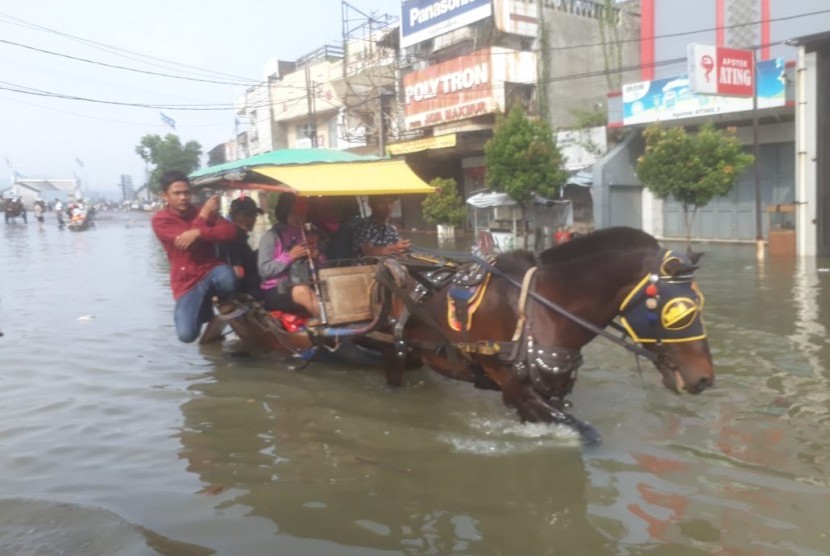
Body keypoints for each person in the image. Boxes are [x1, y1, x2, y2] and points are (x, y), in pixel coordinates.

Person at [151, 170, 238, 343]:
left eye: (186, 192)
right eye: (177, 193)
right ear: (164, 196)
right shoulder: (160, 220)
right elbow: (187, 242)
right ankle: (205, 310)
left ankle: (222, 299)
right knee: (186, 335)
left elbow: (229, 232)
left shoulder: (200, 210)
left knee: (227, 277)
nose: (183, 197)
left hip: (211, 270)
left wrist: (199, 232)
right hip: (187, 281)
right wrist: (204, 217)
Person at [258, 193, 324, 318]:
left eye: (303, 214)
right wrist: (290, 256)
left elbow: (324, 267)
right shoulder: (271, 236)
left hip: (309, 283)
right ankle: (332, 324)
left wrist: (317, 256)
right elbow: (264, 270)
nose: (299, 217)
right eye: (294, 213)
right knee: (302, 291)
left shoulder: (309, 235)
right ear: (284, 212)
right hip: (278, 289)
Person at [216, 196, 264, 301]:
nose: (251, 219)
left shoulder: (240, 238)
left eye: (253, 215)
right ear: (234, 215)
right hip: (243, 292)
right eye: (247, 215)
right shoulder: (229, 239)